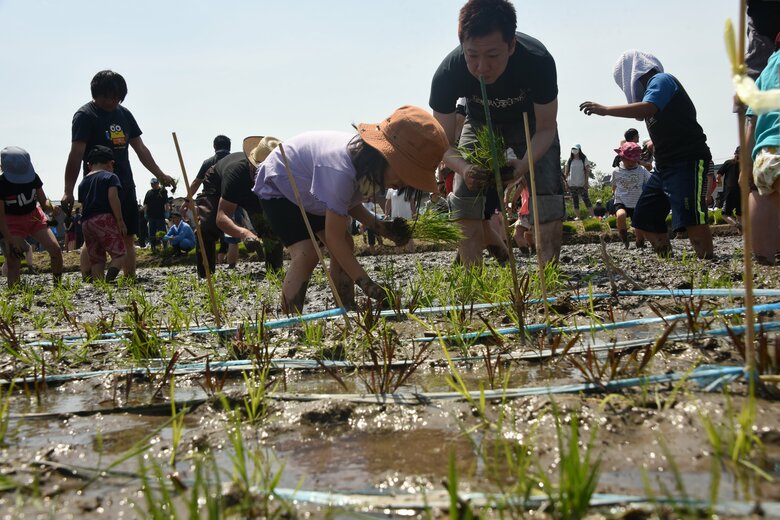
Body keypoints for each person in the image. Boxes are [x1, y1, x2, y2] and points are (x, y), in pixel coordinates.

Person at [253, 105, 448, 313]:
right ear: (384, 156)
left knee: (346, 241)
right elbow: (333, 235)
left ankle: (345, 306)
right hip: (281, 185)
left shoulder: (366, 166)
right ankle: (290, 317)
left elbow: (347, 203)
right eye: (404, 173)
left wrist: (381, 227)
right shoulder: (341, 170)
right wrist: (368, 285)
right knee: (308, 252)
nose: (403, 183)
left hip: (311, 191)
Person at [429, 0, 563, 266]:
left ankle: (548, 271)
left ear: (511, 45)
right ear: (461, 46)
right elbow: (442, 143)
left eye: (492, 56)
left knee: (545, 186)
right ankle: (471, 274)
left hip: (531, 123)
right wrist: (464, 168)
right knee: (464, 191)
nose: (481, 67)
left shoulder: (538, 61)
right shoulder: (447, 74)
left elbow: (547, 128)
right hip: (480, 123)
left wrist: (524, 165)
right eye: (472, 55)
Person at [580, 50, 714, 259]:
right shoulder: (652, 92)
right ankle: (667, 257)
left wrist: (605, 110)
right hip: (664, 165)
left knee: (691, 214)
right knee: (644, 215)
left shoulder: (661, 80)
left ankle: (706, 260)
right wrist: (653, 143)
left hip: (687, 158)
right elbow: (665, 119)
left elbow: (648, 109)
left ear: (633, 74)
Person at [62, 70, 176, 278]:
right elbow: (76, 153)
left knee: (128, 234)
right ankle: (89, 277)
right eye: (107, 96)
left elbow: (141, 149)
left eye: (116, 97)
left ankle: (130, 278)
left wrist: (160, 174)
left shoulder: (124, 114)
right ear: (96, 94)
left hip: (124, 182)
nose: (112, 101)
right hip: (96, 187)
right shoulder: (85, 116)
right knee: (94, 236)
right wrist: (68, 190)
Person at [194, 136, 283, 278]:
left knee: (270, 227)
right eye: (259, 171)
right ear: (251, 164)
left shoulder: (276, 178)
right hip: (217, 183)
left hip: (250, 191)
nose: (263, 176)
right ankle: (205, 276)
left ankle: (275, 272)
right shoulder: (236, 175)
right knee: (207, 227)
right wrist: (245, 234)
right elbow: (222, 218)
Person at [0, 146, 63, 285]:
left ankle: (58, 286)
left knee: (56, 249)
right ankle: (14, 293)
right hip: (11, 222)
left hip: (34, 216)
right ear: (2, 167)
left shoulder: (33, 177)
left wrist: (52, 207)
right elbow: (2, 219)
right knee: (13, 258)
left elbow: (43, 201)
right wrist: (10, 241)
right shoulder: (2, 184)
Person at [745, 35, 780, 265]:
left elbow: (751, 121)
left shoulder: (765, 72)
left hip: (763, 156)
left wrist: (745, 168)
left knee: (761, 196)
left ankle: (763, 253)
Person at [77, 146, 127, 282]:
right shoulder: (111, 177)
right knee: (120, 254)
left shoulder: (82, 183)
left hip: (86, 222)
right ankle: (108, 280)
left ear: (89, 165)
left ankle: (99, 285)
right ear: (110, 163)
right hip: (104, 218)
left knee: (97, 259)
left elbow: (83, 204)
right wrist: (120, 220)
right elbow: (113, 197)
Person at [611, 142, 652, 248]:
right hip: (621, 200)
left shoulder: (641, 170)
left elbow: (651, 182)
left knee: (638, 228)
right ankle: (624, 237)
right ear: (622, 158)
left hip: (637, 202)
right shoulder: (616, 171)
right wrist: (614, 195)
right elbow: (614, 186)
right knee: (621, 215)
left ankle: (640, 242)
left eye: (633, 161)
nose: (631, 163)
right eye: (628, 160)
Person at [564, 144, 593, 219]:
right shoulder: (570, 160)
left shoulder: (584, 159)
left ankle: (592, 216)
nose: (574, 150)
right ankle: (578, 217)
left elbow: (587, 171)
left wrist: (586, 182)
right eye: (573, 149)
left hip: (581, 184)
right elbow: (566, 173)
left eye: (575, 149)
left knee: (586, 200)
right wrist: (566, 183)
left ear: (579, 150)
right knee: (575, 201)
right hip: (572, 184)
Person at [717, 147, 742, 227]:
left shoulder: (728, 163)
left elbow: (718, 176)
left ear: (735, 154)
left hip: (729, 191)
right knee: (740, 214)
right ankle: (743, 234)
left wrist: (718, 181)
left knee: (725, 214)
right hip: (742, 191)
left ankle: (736, 225)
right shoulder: (745, 165)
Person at [143, 178, 168, 252]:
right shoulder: (148, 193)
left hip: (160, 216)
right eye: (152, 184)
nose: (153, 185)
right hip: (151, 216)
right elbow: (145, 204)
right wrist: (145, 213)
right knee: (152, 233)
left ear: (158, 183)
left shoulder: (163, 191)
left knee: (162, 232)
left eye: (155, 183)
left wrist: (167, 212)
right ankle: (153, 248)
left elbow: (166, 203)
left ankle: (165, 247)